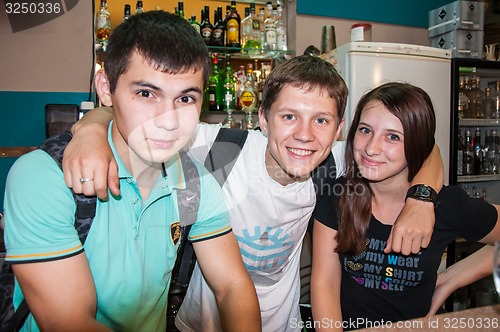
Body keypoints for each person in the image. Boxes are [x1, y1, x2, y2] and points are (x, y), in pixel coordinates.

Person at [63, 56, 444, 331]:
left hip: (285, 324)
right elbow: (137, 122)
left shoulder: (336, 161)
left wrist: (422, 198)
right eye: (289, 116)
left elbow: (424, 147)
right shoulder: (220, 148)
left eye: (321, 121)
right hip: (199, 324)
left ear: (339, 129)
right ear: (263, 118)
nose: (305, 135)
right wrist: (92, 128)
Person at [2, 11, 260, 331]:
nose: (168, 120)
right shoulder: (43, 178)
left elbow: (232, 285)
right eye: (146, 93)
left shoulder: (196, 183)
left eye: (185, 98)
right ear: (106, 89)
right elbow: (68, 322)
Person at [311, 82, 500, 331]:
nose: (371, 148)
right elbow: (326, 284)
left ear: (417, 143)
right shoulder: (336, 196)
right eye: (365, 130)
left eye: (393, 137)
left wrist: (453, 278)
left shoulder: (446, 204)